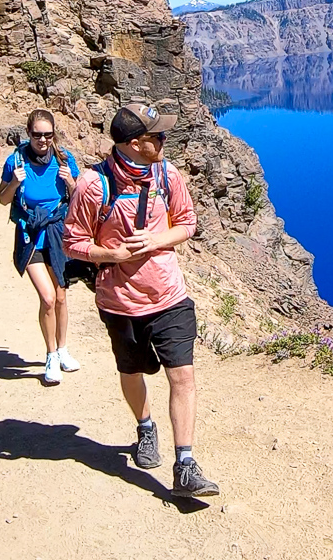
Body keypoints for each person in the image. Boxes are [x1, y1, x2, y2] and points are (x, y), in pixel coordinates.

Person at [63, 102, 219, 499]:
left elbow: (186, 223)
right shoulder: (93, 186)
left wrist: (155, 240)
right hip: (120, 303)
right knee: (132, 372)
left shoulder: (168, 175)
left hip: (169, 295)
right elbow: (73, 242)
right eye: (158, 136)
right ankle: (145, 427)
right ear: (135, 144)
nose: (165, 140)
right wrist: (111, 255)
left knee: (182, 375)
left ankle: (185, 464)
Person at [0, 108, 82, 385]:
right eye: (37, 135)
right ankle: (51, 355)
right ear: (28, 133)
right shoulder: (16, 161)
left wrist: (70, 182)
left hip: (58, 233)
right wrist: (14, 182)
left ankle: (63, 348)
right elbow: (2, 199)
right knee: (47, 298)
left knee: (60, 297)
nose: (43, 140)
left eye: (48, 134)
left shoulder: (64, 159)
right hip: (30, 235)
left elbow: (80, 197)